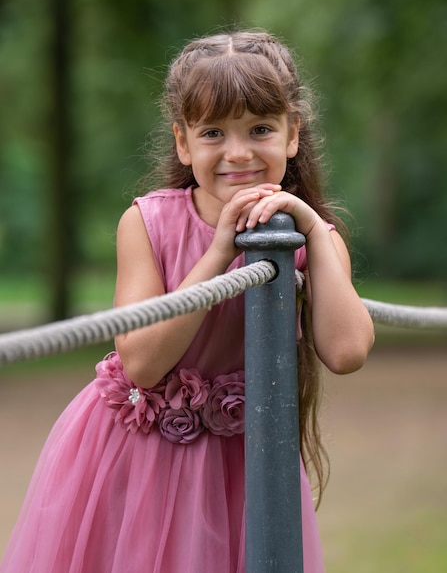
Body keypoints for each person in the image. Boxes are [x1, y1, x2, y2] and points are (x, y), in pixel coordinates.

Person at [0, 30, 374, 573]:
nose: (238, 152)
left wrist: (316, 230)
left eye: (261, 129)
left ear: (292, 135)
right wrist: (220, 250)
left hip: (242, 464)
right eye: (213, 132)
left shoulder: (310, 237)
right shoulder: (147, 223)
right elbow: (144, 364)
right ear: (184, 142)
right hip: (132, 454)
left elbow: (346, 352)